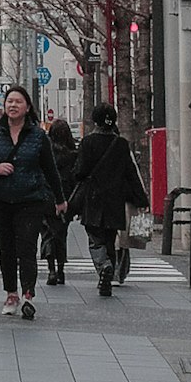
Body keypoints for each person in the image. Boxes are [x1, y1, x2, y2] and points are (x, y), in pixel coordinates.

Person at [0, 84, 63, 318]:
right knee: (6, 248)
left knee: (27, 246)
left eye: (18, 102)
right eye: (9, 101)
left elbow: (50, 169)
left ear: (27, 107)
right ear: (4, 106)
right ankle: (11, 293)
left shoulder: (38, 135)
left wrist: (60, 199)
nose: (13, 105)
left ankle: (28, 295)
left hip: (30, 199)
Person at [72, 103, 152, 295]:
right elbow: (131, 173)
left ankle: (104, 267)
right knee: (110, 239)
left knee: (94, 237)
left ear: (95, 121)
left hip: (94, 198)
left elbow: (80, 172)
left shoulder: (88, 143)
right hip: (115, 200)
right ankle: (107, 275)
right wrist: (141, 199)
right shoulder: (121, 144)